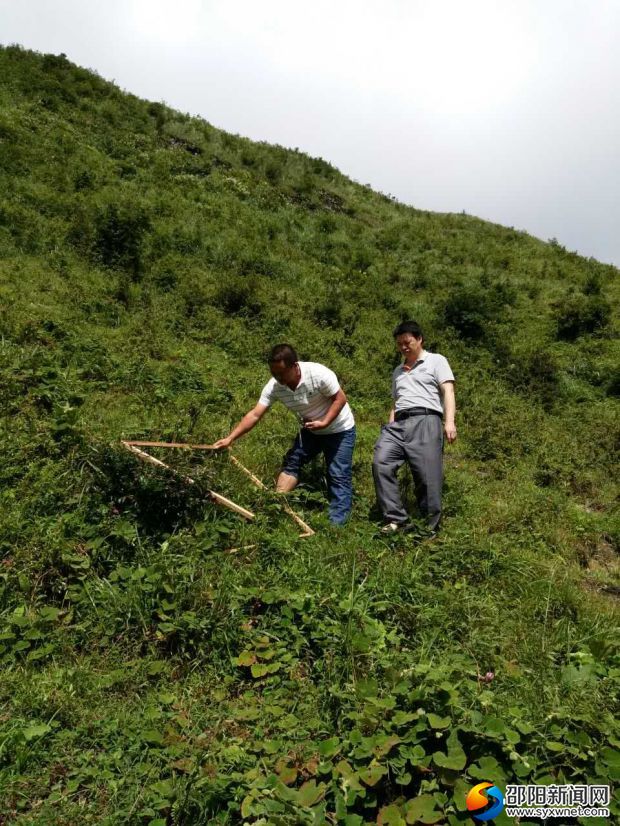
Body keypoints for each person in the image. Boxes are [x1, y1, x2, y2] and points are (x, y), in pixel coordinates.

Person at [212, 344, 356, 525]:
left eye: (281, 373)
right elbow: (255, 414)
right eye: (274, 373)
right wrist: (230, 438)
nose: (278, 378)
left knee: (337, 473)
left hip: (339, 429)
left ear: (294, 366)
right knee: (293, 461)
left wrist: (325, 422)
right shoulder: (274, 387)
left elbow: (340, 398)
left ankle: (336, 525)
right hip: (312, 429)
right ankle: (273, 505)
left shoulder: (318, 374)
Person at [372, 321, 456, 535]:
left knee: (428, 477)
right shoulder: (397, 371)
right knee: (381, 462)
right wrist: (390, 425)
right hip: (398, 424)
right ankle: (397, 519)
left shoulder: (436, 360)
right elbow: (395, 402)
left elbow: (448, 391)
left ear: (419, 339)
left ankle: (428, 529)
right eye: (399, 344)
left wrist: (449, 421)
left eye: (407, 342)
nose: (403, 347)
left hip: (426, 419)